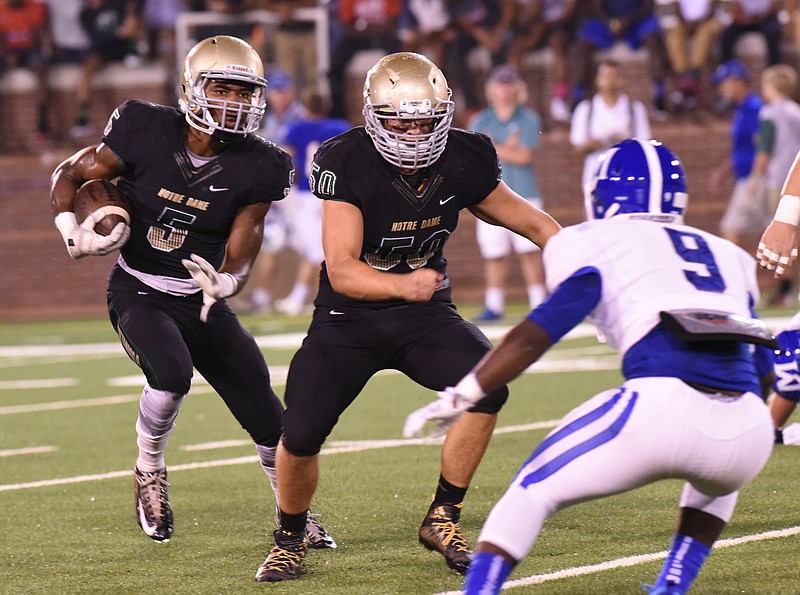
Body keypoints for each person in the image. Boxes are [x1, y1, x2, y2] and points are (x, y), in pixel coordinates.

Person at [253, 51, 562, 582]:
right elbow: (344, 270)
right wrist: (403, 284)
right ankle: (290, 535)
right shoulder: (344, 158)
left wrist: (587, 264)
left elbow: (539, 226)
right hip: (347, 320)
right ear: (374, 115)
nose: (415, 129)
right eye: (402, 117)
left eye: (426, 116)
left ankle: (443, 516)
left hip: (425, 318)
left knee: (488, 387)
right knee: (300, 432)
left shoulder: (465, 156)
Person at [437, 138, 776, 595]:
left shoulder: (595, 239)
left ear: (603, 193)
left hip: (663, 408)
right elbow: (758, 365)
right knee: (717, 477)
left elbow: (542, 329)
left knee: (532, 488)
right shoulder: (726, 255)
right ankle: (672, 585)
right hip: (749, 429)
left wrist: (468, 390)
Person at [49, 35, 334, 551]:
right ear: (192, 87)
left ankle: (294, 514)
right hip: (140, 289)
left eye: (245, 93)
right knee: (172, 375)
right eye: (223, 88)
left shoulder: (261, 163)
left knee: (271, 418)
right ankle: (149, 469)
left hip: (201, 299)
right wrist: (73, 228)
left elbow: (247, 243)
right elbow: (71, 172)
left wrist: (228, 280)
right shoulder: (144, 127)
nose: (234, 103)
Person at [468, 64, 546, 322]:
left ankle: (538, 301)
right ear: (492, 88)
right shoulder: (480, 120)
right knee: (494, 253)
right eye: (501, 84)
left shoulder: (529, 118)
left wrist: (492, 146)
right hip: (489, 194)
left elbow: (523, 156)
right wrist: (504, 147)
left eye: (509, 83)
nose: (505, 89)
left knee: (529, 250)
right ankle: (494, 304)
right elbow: (476, 159)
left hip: (524, 192)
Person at [273, 90, 351, 316]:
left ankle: (326, 297)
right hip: (332, 193)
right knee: (317, 249)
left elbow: (286, 161)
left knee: (317, 252)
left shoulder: (296, 129)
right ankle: (303, 298)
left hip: (307, 195)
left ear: (306, 108)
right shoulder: (339, 128)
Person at [242, 68, 307, 314]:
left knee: (311, 247)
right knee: (271, 241)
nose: (280, 96)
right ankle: (262, 296)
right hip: (277, 191)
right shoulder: (270, 119)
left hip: (299, 191)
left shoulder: (299, 117)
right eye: (276, 92)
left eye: (283, 91)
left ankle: (307, 295)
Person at [707, 59, 767, 251]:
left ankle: (734, 280)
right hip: (749, 177)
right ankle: (788, 281)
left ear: (736, 81)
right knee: (771, 231)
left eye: (723, 83)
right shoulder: (741, 109)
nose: (721, 89)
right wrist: (722, 174)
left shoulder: (753, 108)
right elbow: (741, 149)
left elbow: (763, 146)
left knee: (730, 229)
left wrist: (756, 178)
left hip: (754, 178)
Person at [572, 0, 669, 117]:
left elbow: (648, 6)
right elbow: (597, 7)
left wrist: (628, 21)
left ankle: (660, 94)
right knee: (584, 43)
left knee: (653, 38)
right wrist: (611, 23)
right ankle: (578, 95)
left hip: (637, 21)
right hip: (609, 23)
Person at [570, 59, 651, 192]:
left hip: (628, 176)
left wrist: (625, 143)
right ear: (597, 80)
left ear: (622, 80)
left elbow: (645, 144)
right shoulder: (586, 109)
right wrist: (594, 144)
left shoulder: (634, 109)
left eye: (614, 76)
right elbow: (577, 147)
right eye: (606, 76)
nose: (610, 80)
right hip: (595, 177)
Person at [70, 0, 142, 138]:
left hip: (123, 45)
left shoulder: (116, 4)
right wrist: (118, 32)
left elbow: (133, 17)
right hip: (104, 48)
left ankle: (134, 52)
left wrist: (128, 24)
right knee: (87, 68)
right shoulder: (86, 14)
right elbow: (98, 37)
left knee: (133, 20)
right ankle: (83, 118)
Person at [507, 0, 580, 124]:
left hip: (559, 24)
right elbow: (525, 16)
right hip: (537, 25)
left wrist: (544, 25)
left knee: (558, 42)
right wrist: (534, 15)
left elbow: (570, 10)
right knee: (516, 49)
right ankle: (525, 100)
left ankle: (560, 98)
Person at [654, 0, 725, 111]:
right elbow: (668, 11)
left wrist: (700, 21)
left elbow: (718, 6)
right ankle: (686, 77)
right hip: (682, 22)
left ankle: (691, 76)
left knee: (705, 33)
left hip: (708, 21)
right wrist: (685, 21)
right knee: (673, 35)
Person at [0, 0, 52, 137]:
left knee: (40, 68)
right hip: (8, 51)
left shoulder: (34, 7)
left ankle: (43, 121)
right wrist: (7, 54)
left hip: (29, 50)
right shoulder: (1, 8)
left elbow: (39, 36)